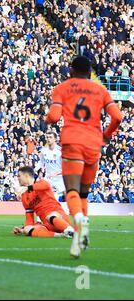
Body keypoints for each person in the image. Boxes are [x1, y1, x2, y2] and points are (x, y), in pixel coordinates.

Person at [46, 56, 122, 258]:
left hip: (73, 142)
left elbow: (54, 116)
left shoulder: (62, 88)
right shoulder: (101, 90)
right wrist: (106, 135)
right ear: (89, 72)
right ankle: (79, 240)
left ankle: (79, 219)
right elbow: (118, 117)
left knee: (72, 190)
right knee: (83, 194)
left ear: (71, 70)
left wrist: (47, 119)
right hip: (94, 144)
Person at [14, 166, 74, 238]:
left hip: (59, 218)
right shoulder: (24, 197)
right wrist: (23, 229)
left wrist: (28, 188)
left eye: (19, 176)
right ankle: (60, 235)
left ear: (26, 176)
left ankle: (70, 230)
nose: (18, 178)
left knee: (50, 216)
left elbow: (45, 185)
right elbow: (29, 219)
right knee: (27, 229)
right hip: (47, 225)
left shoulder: (41, 182)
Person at [34, 131, 65, 201]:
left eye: (50, 137)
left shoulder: (60, 151)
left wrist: (56, 173)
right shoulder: (43, 151)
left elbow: (66, 168)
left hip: (60, 179)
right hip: (48, 178)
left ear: (55, 139)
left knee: (65, 197)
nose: (48, 139)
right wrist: (39, 172)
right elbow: (41, 163)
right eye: (47, 137)